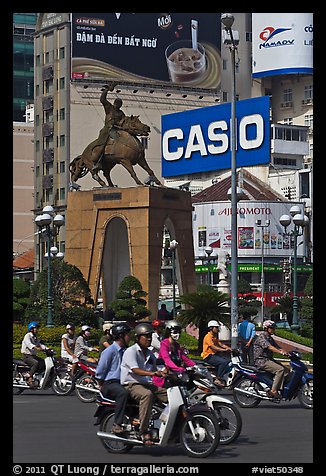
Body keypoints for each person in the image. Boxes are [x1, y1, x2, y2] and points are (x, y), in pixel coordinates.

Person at [120, 322, 168, 446]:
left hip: (144, 383)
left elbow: (158, 365)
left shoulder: (148, 353)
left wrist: (167, 371)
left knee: (170, 394)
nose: (148, 339)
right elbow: (135, 370)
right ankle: (143, 430)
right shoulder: (131, 351)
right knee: (147, 395)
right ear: (137, 338)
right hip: (131, 384)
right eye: (145, 336)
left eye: (150, 336)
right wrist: (153, 374)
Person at [95, 323, 132, 434]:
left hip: (123, 381)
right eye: (127, 334)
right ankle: (117, 424)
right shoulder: (109, 351)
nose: (129, 337)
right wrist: (101, 385)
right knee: (122, 393)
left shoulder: (126, 351)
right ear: (121, 336)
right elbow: (100, 371)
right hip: (110, 383)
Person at [91, 83, 125, 172]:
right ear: (114, 103)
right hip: (108, 129)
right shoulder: (109, 107)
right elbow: (102, 99)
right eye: (117, 103)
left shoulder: (121, 113)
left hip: (117, 129)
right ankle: (97, 162)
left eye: (120, 104)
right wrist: (107, 90)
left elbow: (124, 121)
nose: (118, 105)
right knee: (102, 143)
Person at [153, 320, 195, 388]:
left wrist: (195, 366)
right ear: (169, 332)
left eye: (179, 332)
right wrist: (178, 369)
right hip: (166, 376)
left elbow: (184, 358)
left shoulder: (177, 345)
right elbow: (167, 359)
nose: (177, 334)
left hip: (177, 374)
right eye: (175, 332)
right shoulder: (164, 344)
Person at [253, 320, 290, 399]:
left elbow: (277, 347)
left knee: (287, 371)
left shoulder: (270, 338)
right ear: (266, 328)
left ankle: (277, 387)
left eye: (273, 328)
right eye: (272, 328)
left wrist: (286, 352)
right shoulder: (262, 337)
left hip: (268, 359)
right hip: (261, 361)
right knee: (280, 370)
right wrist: (280, 352)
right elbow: (269, 347)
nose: (273, 330)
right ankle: (273, 390)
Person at [201, 320, 232, 387]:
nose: (218, 329)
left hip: (214, 355)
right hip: (208, 356)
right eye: (216, 327)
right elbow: (213, 347)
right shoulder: (208, 337)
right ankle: (218, 379)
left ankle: (221, 376)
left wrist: (230, 348)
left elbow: (220, 344)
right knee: (223, 362)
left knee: (229, 361)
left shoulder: (215, 336)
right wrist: (223, 350)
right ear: (211, 328)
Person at [21, 321, 47, 386]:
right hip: (26, 356)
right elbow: (28, 344)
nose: (37, 330)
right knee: (36, 363)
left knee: (43, 362)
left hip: (33, 356)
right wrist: (36, 347)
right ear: (31, 329)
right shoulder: (27, 336)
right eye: (36, 328)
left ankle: (36, 376)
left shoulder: (35, 337)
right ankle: (29, 376)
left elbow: (40, 344)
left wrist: (47, 349)